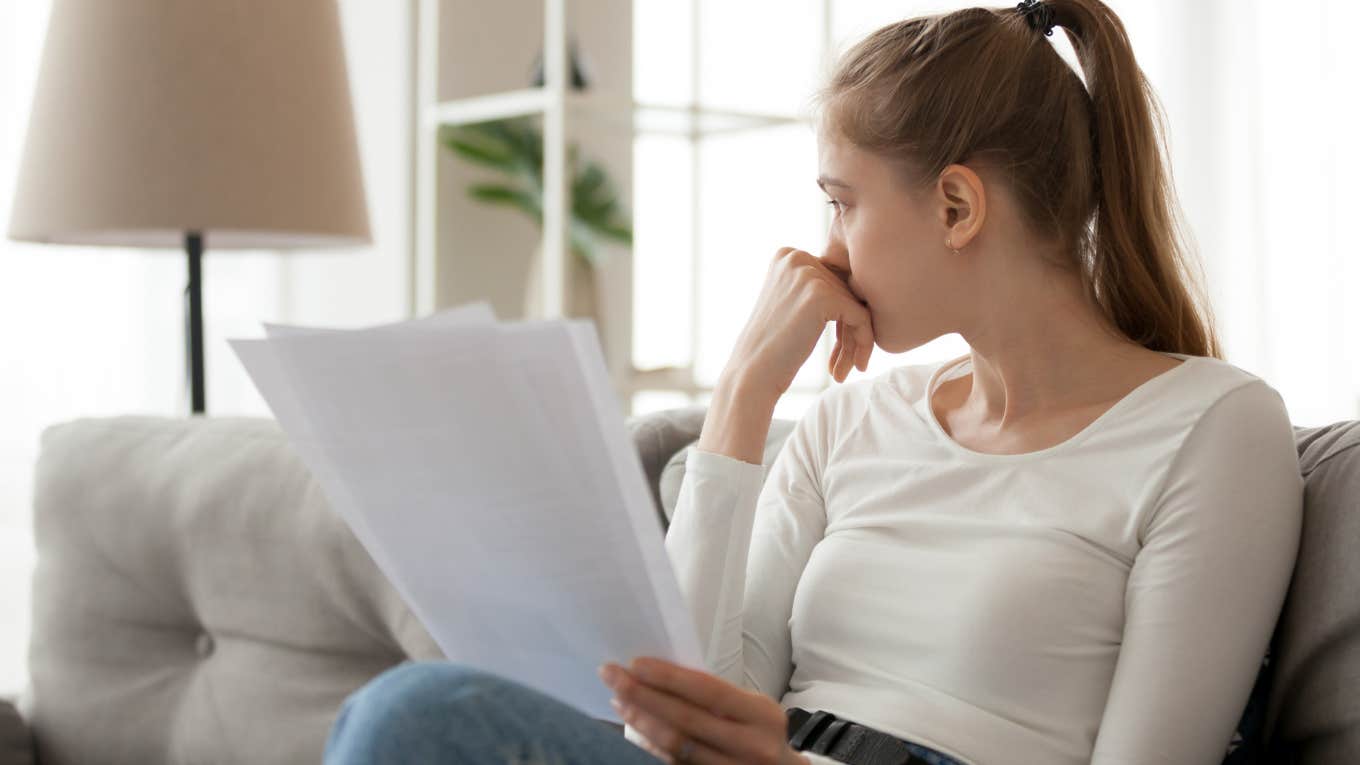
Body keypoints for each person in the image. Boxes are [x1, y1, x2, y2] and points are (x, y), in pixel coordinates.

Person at [323, 0, 1305, 763]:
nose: (822, 251)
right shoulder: (846, 423)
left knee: (419, 715)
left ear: (956, 205)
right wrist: (744, 395)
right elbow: (678, 707)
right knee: (404, 715)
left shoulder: (1212, 429)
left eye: (841, 203)